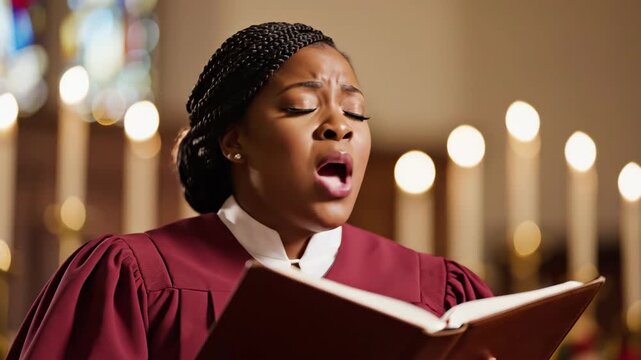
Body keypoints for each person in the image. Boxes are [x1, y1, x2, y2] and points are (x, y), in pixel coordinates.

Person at [8, 22, 492, 359]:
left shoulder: (436, 294)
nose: (339, 126)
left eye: (355, 111)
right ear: (235, 141)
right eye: (302, 106)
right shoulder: (134, 281)